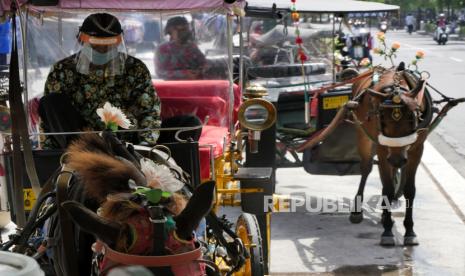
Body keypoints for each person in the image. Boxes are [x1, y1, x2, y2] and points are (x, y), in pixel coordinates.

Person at [39, 13, 162, 149]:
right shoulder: (62, 70)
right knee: (50, 101)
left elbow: (149, 111)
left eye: (108, 47)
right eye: (95, 46)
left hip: (126, 146)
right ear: (81, 40)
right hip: (79, 146)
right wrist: (49, 155)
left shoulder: (135, 69)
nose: (102, 51)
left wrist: (145, 148)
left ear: (118, 43)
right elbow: (51, 119)